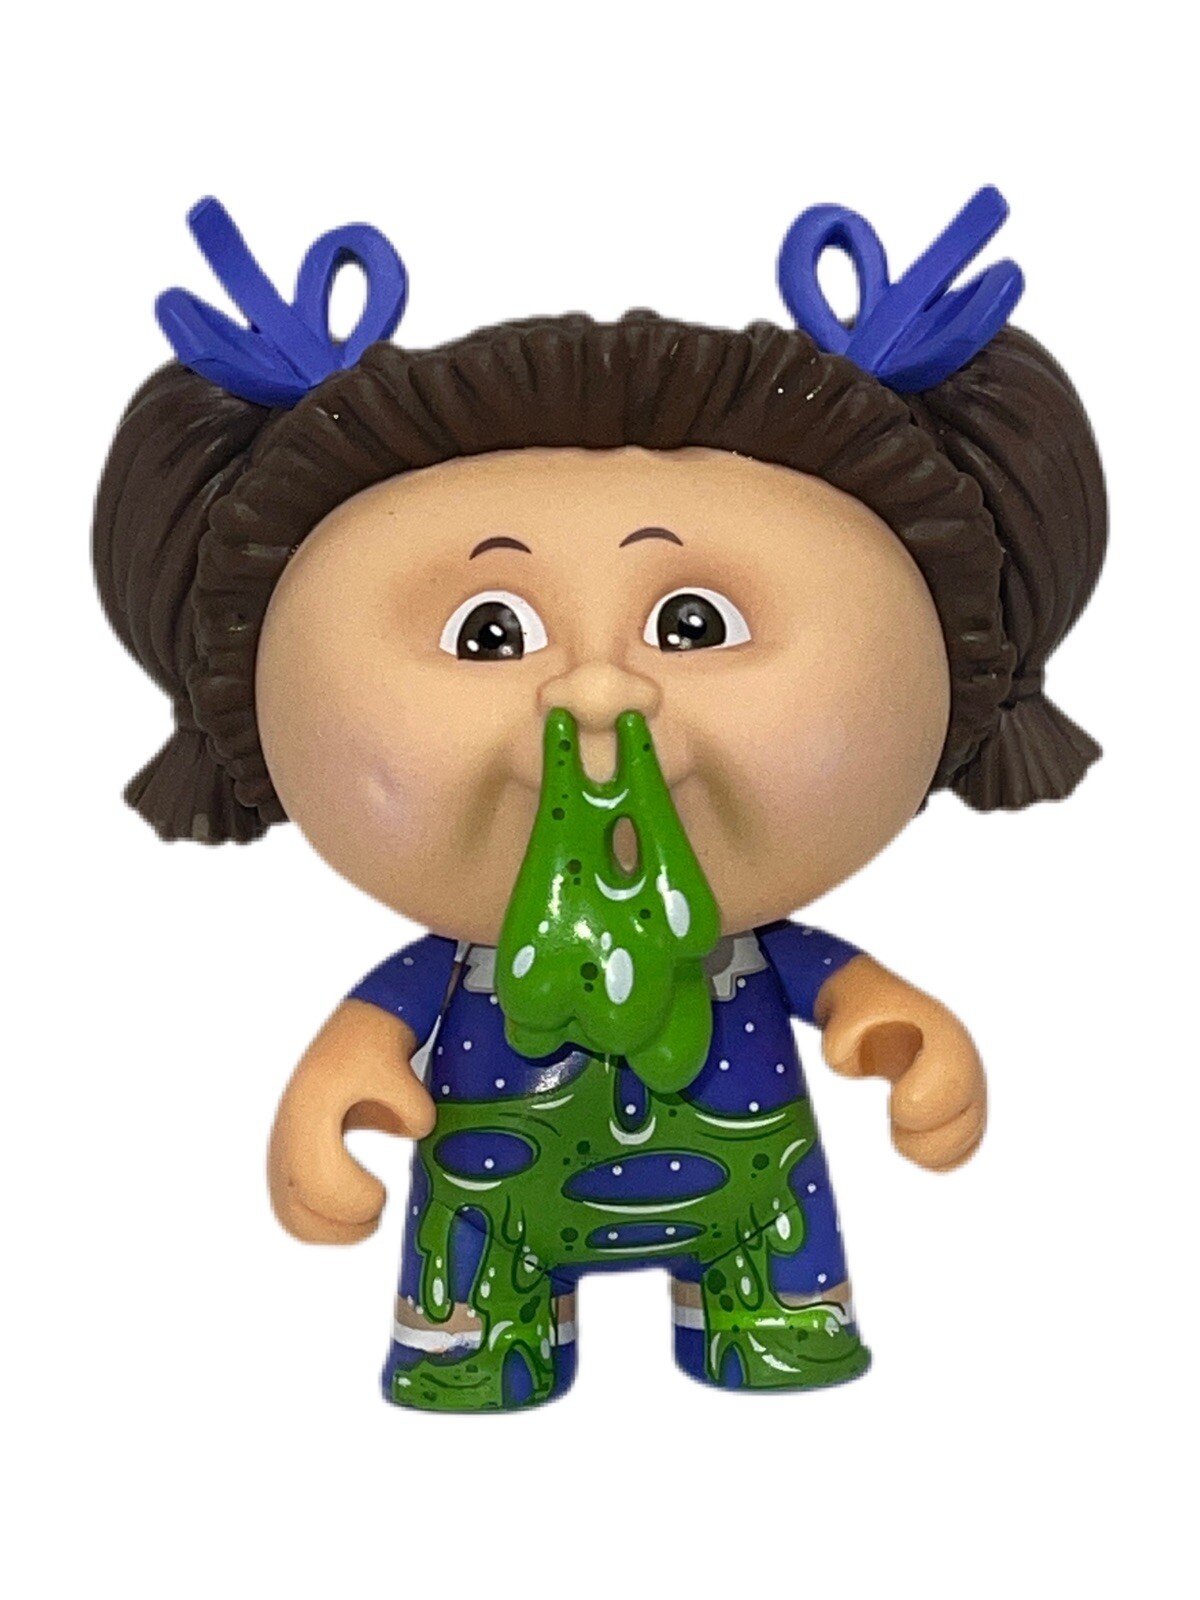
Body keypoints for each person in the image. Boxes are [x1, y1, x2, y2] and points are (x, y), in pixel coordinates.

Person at [92, 190, 1106, 1409]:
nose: (595, 689)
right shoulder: (456, 966)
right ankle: (478, 1347)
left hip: (759, 1203)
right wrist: (331, 1093)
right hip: (491, 1204)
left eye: (693, 624)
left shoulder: (752, 945)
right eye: (488, 633)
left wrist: (903, 1028)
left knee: (782, 1294)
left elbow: (846, 990)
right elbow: (374, 1029)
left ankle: (774, 1326)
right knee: (472, 1304)